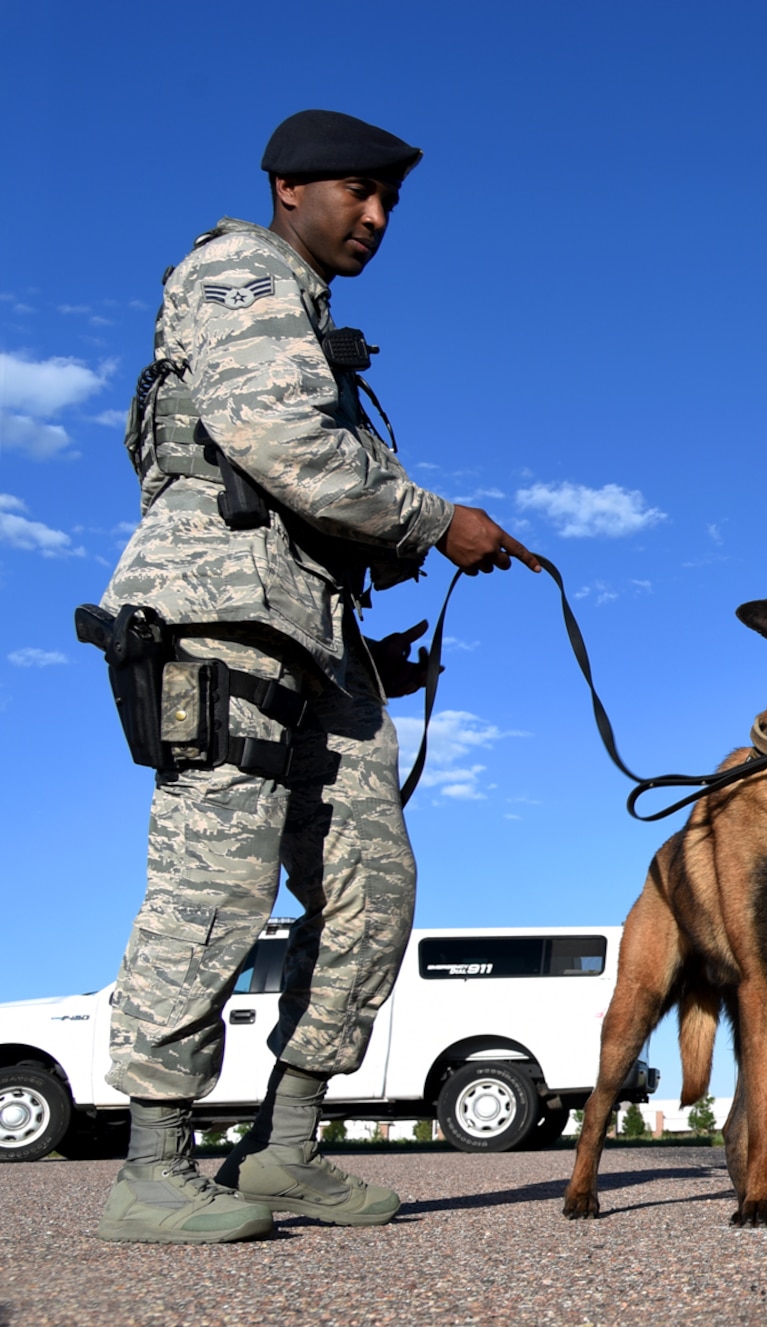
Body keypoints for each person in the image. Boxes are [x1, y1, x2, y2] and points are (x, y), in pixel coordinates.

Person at [93, 109, 540, 1244]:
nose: (377, 218)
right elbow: (288, 446)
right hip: (221, 620)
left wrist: (370, 630)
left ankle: (283, 1151)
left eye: (389, 203)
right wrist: (440, 521)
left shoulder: (307, 306)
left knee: (371, 887)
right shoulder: (241, 268)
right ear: (290, 188)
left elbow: (316, 492)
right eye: (358, 194)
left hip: (312, 634)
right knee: (214, 880)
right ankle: (151, 1166)